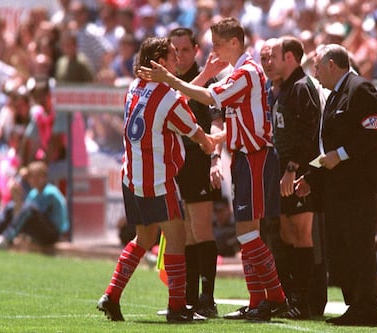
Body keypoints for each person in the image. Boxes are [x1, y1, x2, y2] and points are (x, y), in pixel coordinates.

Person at [138, 17, 288, 322]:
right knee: (246, 232)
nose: (214, 49)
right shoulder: (239, 73)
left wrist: (171, 79)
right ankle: (258, 299)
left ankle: (276, 297)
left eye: (218, 43)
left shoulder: (246, 73)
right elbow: (235, 120)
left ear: (234, 43)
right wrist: (214, 140)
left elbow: (208, 97)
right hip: (244, 156)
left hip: (256, 157)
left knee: (247, 233)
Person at [96, 36, 218, 323]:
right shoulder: (169, 96)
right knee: (176, 238)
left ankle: (111, 296)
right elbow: (195, 131)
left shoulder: (133, 88)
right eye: (173, 56)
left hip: (132, 177)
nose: (178, 60)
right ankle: (177, 307)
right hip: (158, 178)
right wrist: (211, 141)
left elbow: (168, 106)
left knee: (145, 237)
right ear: (160, 62)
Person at [297, 43, 377, 326]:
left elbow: (372, 134)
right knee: (343, 249)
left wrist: (343, 154)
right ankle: (355, 306)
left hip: (358, 187)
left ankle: (368, 309)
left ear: (332, 65)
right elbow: (327, 149)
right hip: (337, 188)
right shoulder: (334, 95)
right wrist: (311, 178)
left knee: (358, 246)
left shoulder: (360, 89)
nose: (315, 72)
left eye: (318, 66)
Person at [168, 27, 224, 318]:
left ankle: (207, 299)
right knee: (186, 232)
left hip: (198, 160)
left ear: (196, 50)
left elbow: (217, 123)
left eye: (185, 50)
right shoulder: (169, 79)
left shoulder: (207, 80)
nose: (179, 55)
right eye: (174, 50)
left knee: (200, 228)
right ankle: (189, 298)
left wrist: (215, 159)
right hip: (176, 163)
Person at [269, 36, 323, 319]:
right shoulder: (283, 88)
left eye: (274, 55)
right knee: (286, 232)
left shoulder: (303, 87)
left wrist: (294, 168)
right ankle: (291, 297)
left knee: (302, 234)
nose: (270, 61)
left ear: (290, 57)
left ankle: (304, 301)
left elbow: (310, 133)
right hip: (282, 170)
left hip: (298, 170)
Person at [0, 161, 69, 250]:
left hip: (53, 234)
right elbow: (21, 213)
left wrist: (19, 202)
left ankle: (6, 240)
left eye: (37, 176)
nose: (33, 180)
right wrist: (16, 198)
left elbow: (33, 214)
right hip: (39, 231)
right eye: (31, 177)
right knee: (11, 206)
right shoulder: (34, 193)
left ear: (44, 177)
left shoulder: (51, 193)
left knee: (28, 209)